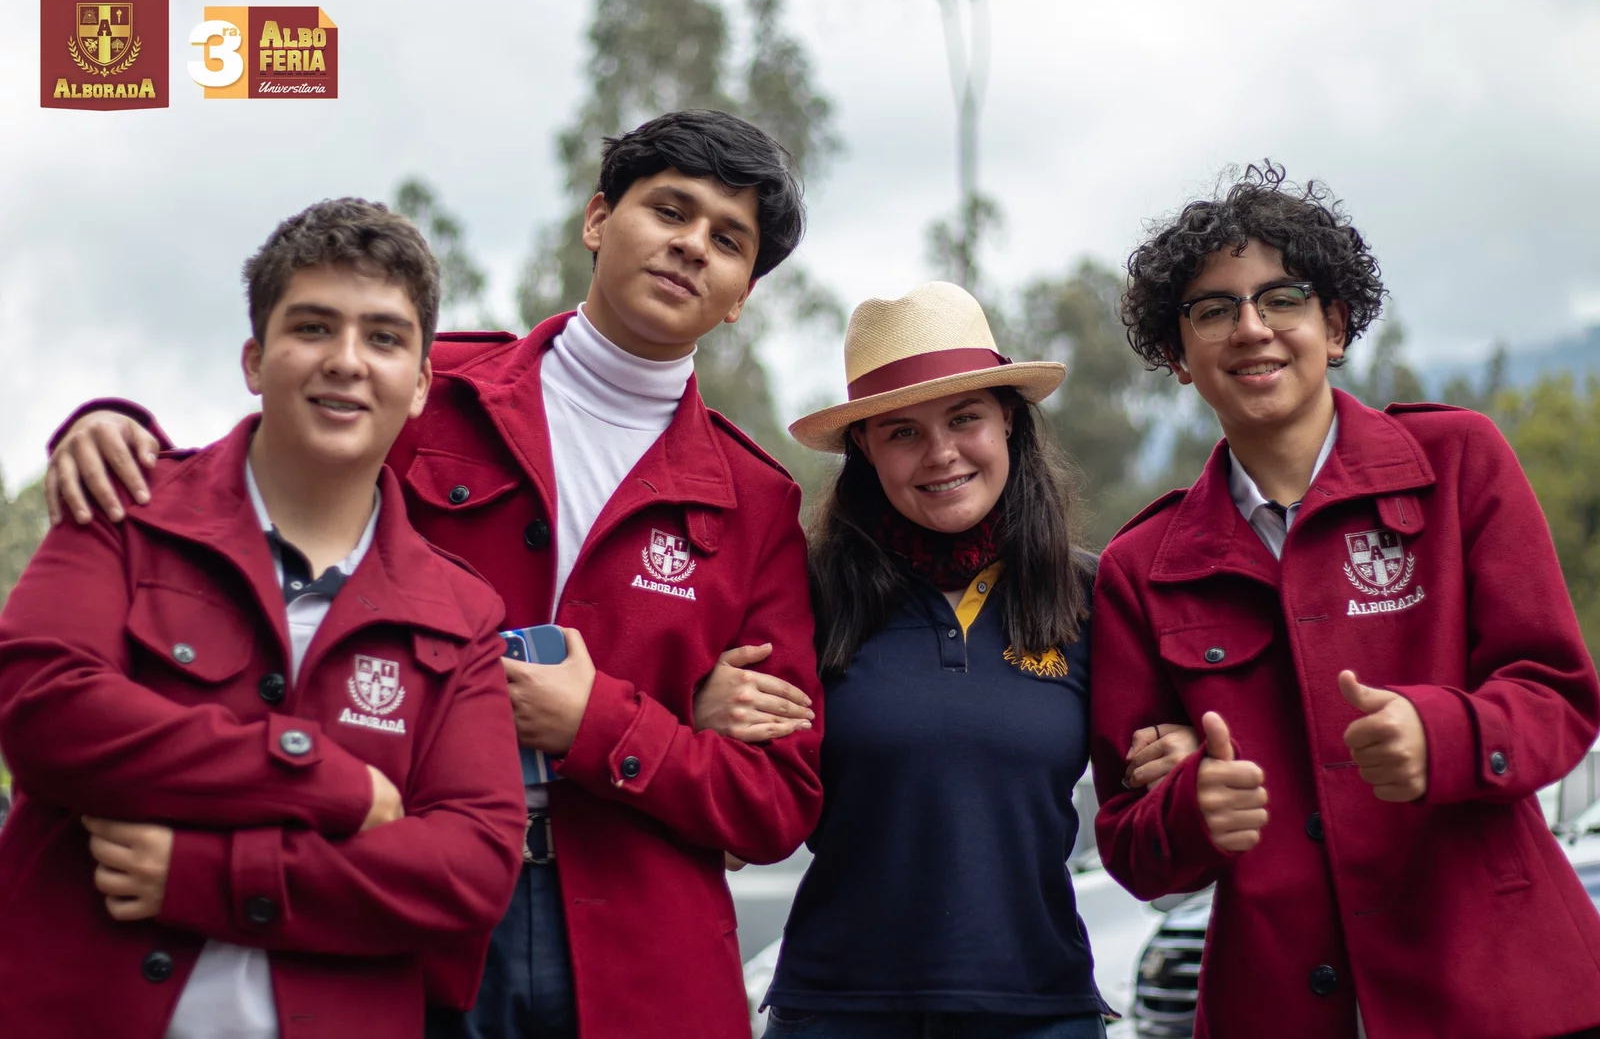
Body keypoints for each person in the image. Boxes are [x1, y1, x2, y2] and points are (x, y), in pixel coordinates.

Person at [41, 110, 824, 1039]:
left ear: (740, 294)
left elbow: (778, 800)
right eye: (670, 211)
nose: (692, 246)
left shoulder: (756, 501)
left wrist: (603, 724)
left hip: (643, 964)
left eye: (727, 241)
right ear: (598, 219)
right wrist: (108, 427)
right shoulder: (430, 388)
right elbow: (241, 488)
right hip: (400, 910)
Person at [1089, 163, 1600, 1039]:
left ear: (1334, 326)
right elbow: (1131, 843)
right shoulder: (1141, 568)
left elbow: (1559, 694)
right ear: (1178, 358)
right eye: (1213, 309)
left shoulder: (1461, 463)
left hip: (1507, 996)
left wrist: (1442, 734)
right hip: (1274, 1007)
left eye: (1281, 298)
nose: (1250, 328)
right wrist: (1192, 809)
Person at [0, 198, 527, 1038]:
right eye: (312, 328)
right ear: (255, 358)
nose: (347, 362)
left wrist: (206, 873)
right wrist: (327, 780)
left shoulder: (460, 613)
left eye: (385, 338)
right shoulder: (122, 508)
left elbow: (471, 867)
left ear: (423, 382)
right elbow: (44, 710)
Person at [753, 281, 1199, 1039]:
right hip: (836, 1013)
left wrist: (1178, 759)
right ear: (864, 447)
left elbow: (1144, 819)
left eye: (965, 419)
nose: (941, 455)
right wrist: (704, 710)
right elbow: (745, 803)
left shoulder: (1091, 595)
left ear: (1010, 424)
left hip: (1041, 1010)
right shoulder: (805, 594)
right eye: (902, 432)